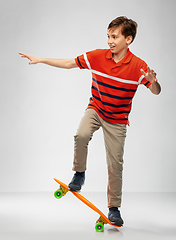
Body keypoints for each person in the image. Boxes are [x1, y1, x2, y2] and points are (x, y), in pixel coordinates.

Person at [19, 16, 161, 227]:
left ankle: (114, 208)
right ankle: (79, 174)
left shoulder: (139, 66)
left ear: (128, 39)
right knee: (81, 135)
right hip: (96, 109)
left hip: (118, 120)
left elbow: (156, 92)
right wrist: (41, 59)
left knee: (115, 164)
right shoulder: (97, 56)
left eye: (115, 37)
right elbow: (68, 63)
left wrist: (153, 82)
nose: (110, 41)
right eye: (108, 36)